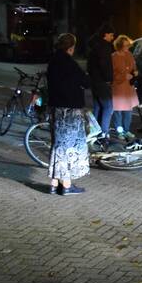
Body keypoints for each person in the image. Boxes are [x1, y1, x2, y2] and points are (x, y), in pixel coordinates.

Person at [45, 33, 92, 196]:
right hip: (70, 110)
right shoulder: (70, 63)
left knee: (58, 144)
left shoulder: (52, 61)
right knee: (67, 146)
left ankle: (53, 184)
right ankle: (66, 185)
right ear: (71, 47)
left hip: (55, 108)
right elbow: (85, 82)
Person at [86, 23, 116, 146]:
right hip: (102, 82)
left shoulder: (94, 46)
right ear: (106, 34)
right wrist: (109, 79)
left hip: (94, 81)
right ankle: (103, 135)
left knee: (98, 107)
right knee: (108, 107)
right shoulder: (104, 47)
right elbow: (105, 65)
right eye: (111, 35)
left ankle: (95, 133)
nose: (112, 38)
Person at [111, 34, 138, 142]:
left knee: (128, 110)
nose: (127, 47)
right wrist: (123, 76)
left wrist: (135, 72)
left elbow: (133, 67)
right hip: (118, 87)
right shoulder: (113, 57)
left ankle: (126, 130)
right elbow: (111, 73)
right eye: (125, 45)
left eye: (128, 45)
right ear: (119, 46)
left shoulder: (129, 54)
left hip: (128, 86)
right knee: (118, 111)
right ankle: (119, 131)